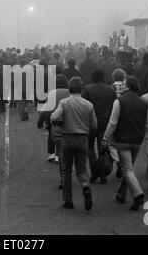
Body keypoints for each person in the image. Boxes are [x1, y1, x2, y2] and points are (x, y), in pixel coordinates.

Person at [51, 77, 97, 210]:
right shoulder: (88, 105)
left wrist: (60, 123)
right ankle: (86, 187)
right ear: (81, 89)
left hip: (67, 138)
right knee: (81, 169)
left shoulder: (64, 102)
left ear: (69, 88)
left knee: (66, 170)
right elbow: (94, 125)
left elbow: (55, 117)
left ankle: (68, 200)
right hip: (83, 139)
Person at [102, 77, 148, 210]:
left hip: (123, 140)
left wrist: (106, 137)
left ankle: (138, 194)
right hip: (137, 140)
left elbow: (113, 122)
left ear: (128, 87)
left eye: (123, 84)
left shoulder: (119, 101)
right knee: (129, 168)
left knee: (127, 169)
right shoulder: (144, 103)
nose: (121, 86)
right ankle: (121, 193)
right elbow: (147, 123)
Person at [82, 70, 117, 184]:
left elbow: (83, 105)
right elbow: (114, 106)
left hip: (91, 122)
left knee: (90, 147)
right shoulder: (111, 90)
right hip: (105, 122)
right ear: (103, 77)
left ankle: (94, 171)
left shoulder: (88, 89)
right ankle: (103, 173)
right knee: (103, 148)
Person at [37, 74, 70, 187]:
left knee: (52, 136)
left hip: (55, 121)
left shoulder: (52, 93)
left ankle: (53, 154)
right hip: (70, 123)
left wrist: (39, 123)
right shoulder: (71, 92)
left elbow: (45, 110)